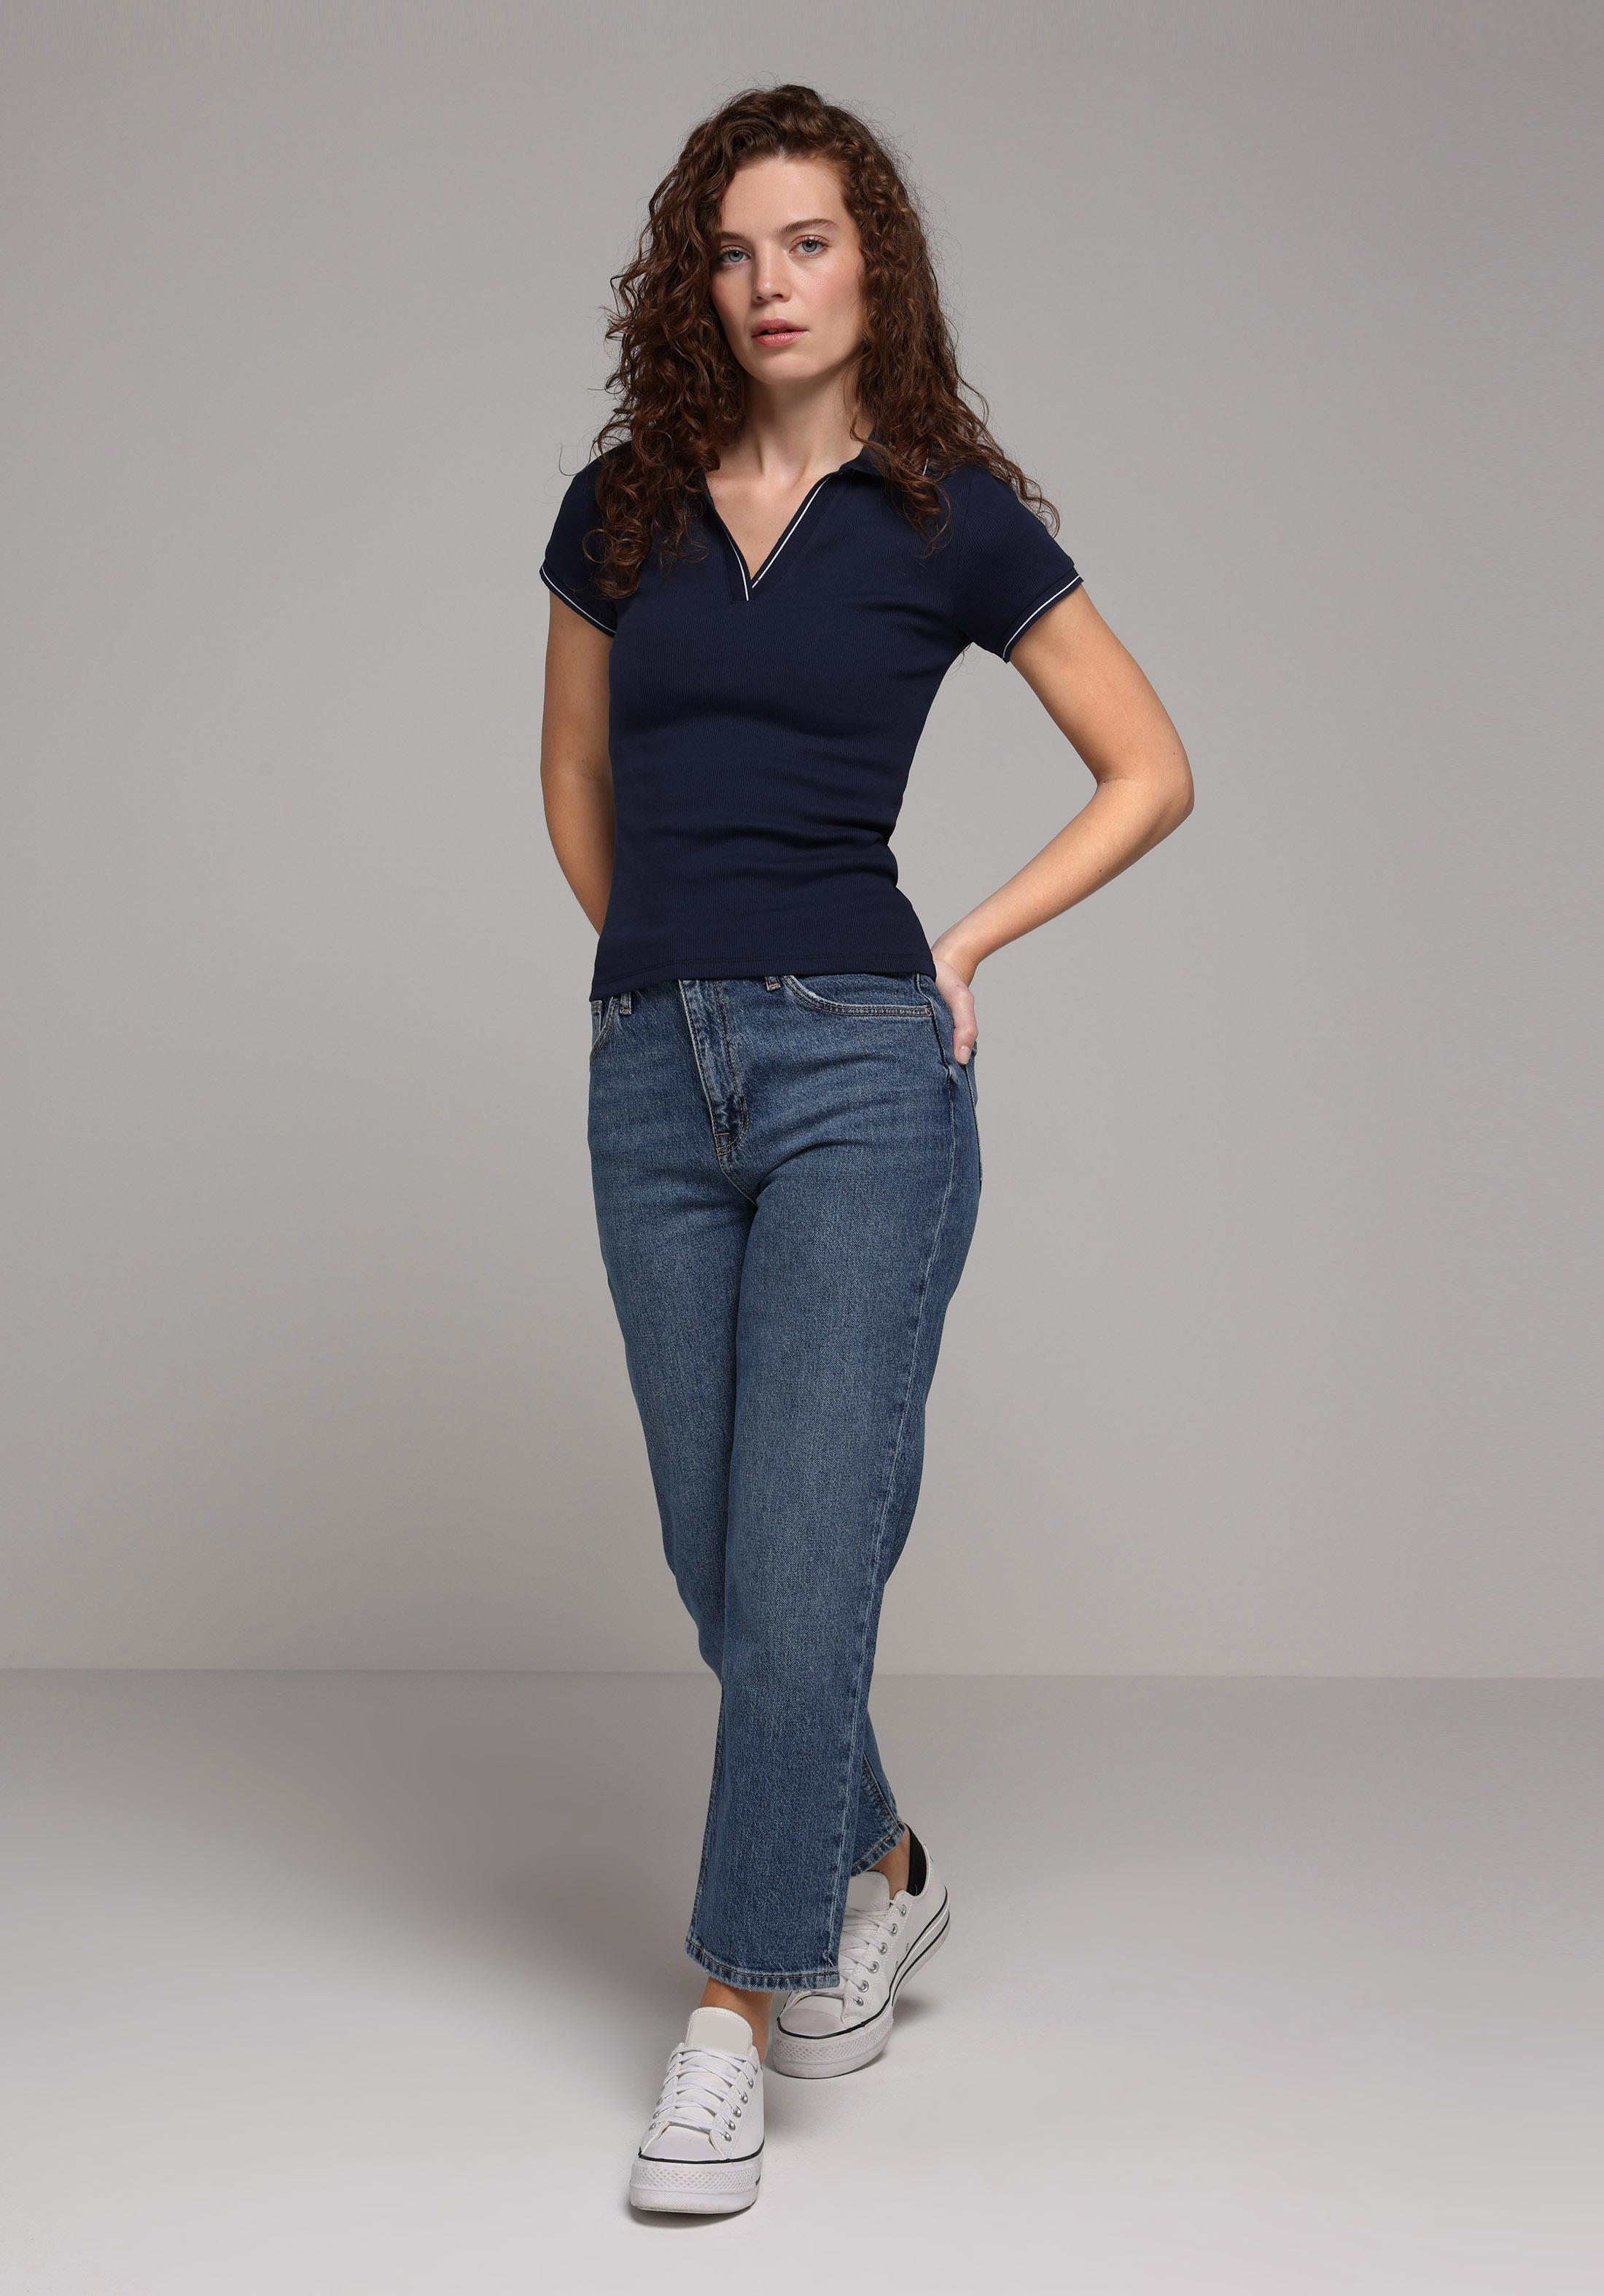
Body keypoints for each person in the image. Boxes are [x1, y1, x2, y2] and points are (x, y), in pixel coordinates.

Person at [539, 84, 1193, 2215]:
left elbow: (1149, 765)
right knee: (724, 1557)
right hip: (655, 1076)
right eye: (734, 251)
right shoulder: (619, 508)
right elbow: (573, 783)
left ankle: (732, 2011)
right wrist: (665, 977)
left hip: (862, 1074)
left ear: (872, 267)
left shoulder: (949, 518)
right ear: (694, 282)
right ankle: (883, 1867)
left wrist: (961, 945)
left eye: (807, 243)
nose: (770, 284)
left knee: (805, 1555)